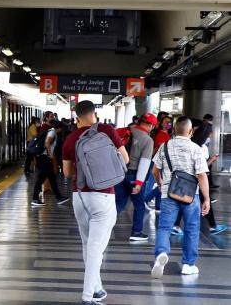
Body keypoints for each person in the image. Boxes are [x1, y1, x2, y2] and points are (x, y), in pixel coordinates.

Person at [62, 100, 129, 305]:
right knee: (96, 247)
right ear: (94, 113)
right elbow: (124, 158)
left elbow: (67, 173)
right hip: (104, 195)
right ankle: (88, 295)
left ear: (77, 117)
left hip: (80, 196)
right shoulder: (107, 130)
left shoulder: (70, 139)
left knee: (88, 243)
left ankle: (97, 289)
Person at [151, 116, 210, 279]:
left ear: (174, 130)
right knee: (191, 228)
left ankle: (161, 254)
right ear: (190, 131)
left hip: (169, 194)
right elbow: (202, 176)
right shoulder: (196, 148)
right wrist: (206, 199)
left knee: (164, 228)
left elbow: (155, 171)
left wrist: (161, 184)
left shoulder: (165, 146)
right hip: (191, 195)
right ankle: (188, 264)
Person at [115, 113, 157, 241]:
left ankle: (103, 226)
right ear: (150, 125)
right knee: (139, 205)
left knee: (118, 203)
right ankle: (136, 232)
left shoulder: (126, 131)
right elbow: (144, 163)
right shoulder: (148, 140)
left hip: (120, 173)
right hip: (134, 174)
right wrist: (139, 183)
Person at [191, 122, 226, 234]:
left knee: (186, 201)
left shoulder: (193, 145)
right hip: (199, 178)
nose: (210, 137)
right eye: (209, 134)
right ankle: (212, 226)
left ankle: (176, 226)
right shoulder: (201, 148)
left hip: (191, 179)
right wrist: (211, 160)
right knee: (205, 200)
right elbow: (202, 167)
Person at [31, 120, 70, 206]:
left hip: (44, 158)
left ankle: (59, 198)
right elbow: (47, 142)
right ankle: (35, 199)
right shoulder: (52, 132)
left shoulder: (51, 131)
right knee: (40, 179)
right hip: (44, 158)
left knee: (52, 179)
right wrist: (51, 154)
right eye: (61, 129)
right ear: (59, 128)